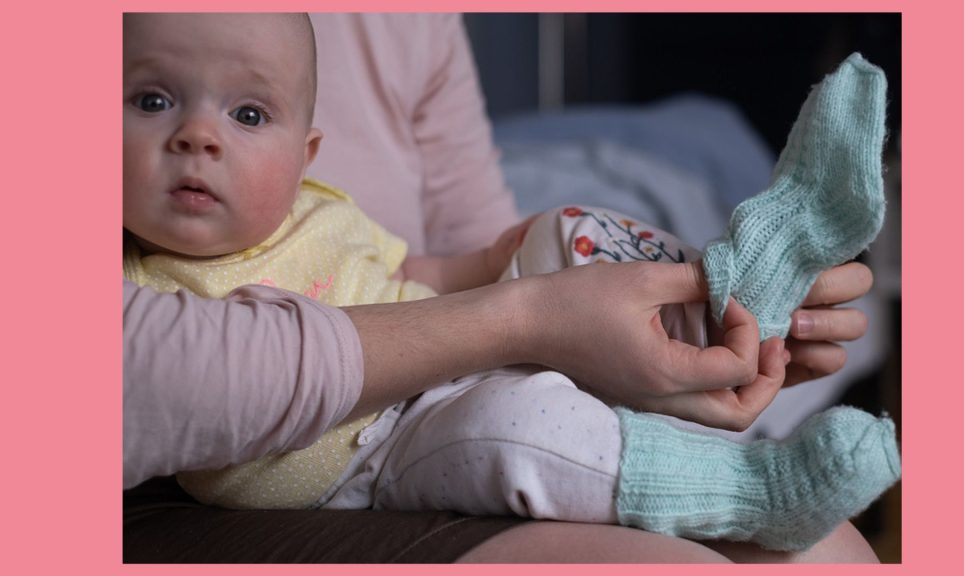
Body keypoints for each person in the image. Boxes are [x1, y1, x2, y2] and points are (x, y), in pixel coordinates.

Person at [123, 11, 898, 556]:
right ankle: (748, 489)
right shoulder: (129, 270)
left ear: (307, 153)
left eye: (249, 114)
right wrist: (523, 316)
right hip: (367, 456)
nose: (199, 135)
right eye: (153, 101)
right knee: (518, 426)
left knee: (559, 228)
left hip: (441, 343)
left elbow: (416, 272)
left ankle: (742, 285)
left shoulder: (317, 211)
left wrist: (513, 259)